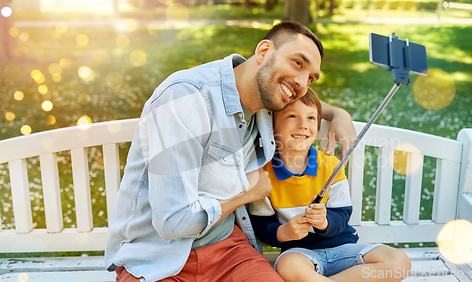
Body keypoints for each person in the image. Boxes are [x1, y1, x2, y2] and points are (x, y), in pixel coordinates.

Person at [105, 21, 356, 282]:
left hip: (228, 249)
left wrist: (339, 113)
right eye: (297, 63)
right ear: (263, 51)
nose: (302, 83)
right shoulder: (185, 99)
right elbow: (174, 223)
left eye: (311, 78)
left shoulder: (266, 99)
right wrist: (248, 193)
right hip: (157, 256)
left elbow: (300, 99)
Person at [249, 88, 411, 282]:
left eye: (311, 118)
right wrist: (284, 232)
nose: (303, 125)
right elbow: (261, 225)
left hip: (343, 249)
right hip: (301, 253)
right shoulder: (264, 174)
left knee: (399, 262)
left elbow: (342, 213)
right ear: (272, 125)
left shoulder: (330, 165)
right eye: (292, 116)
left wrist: (325, 222)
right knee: (287, 267)